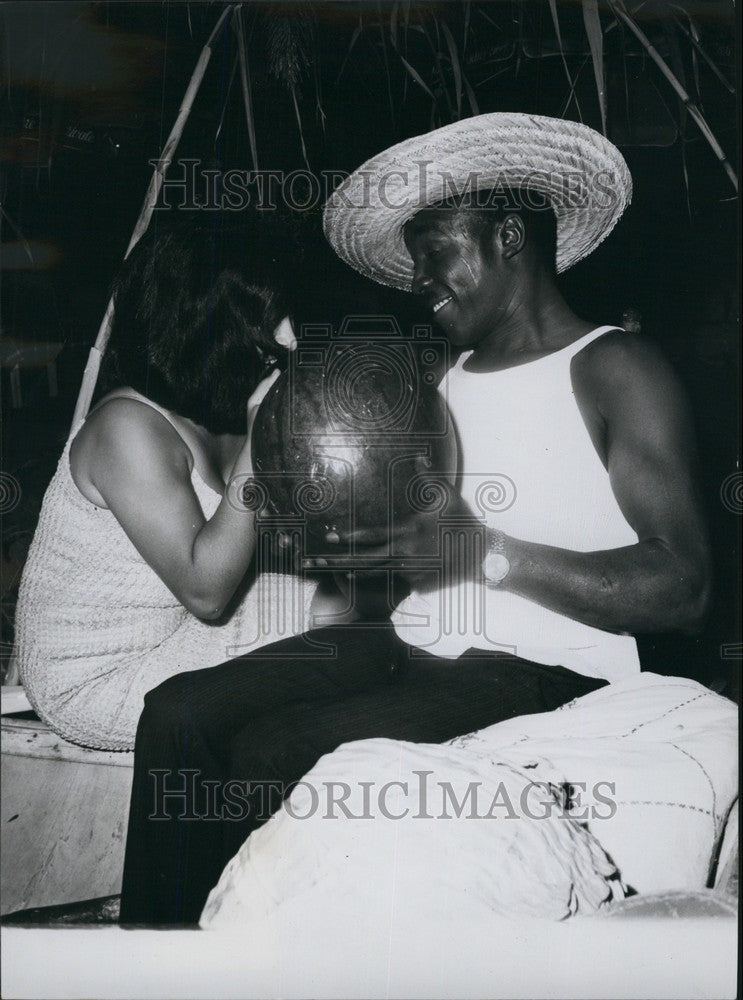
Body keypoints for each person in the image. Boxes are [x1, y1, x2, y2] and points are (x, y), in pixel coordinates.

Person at [119, 113, 711, 925]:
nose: (416, 279)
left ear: (508, 236)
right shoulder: (438, 377)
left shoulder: (614, 367)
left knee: (277, 752)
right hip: (409, 641)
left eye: (434, 247)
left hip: (546, 667)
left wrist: (481, 554)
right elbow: (412, 538)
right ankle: (153, 963)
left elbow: (682, 588)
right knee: (178, 713)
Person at [14, 213, 319, 752]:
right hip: (98, 680)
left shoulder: (217, 412)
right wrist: (260, 439)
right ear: (206, 324)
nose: (289, 337)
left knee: (347, 607)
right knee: (335, 638)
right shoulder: (125, 429)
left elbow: (272, 541)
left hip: (175, 630)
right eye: (269, 319)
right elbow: (206, 591)